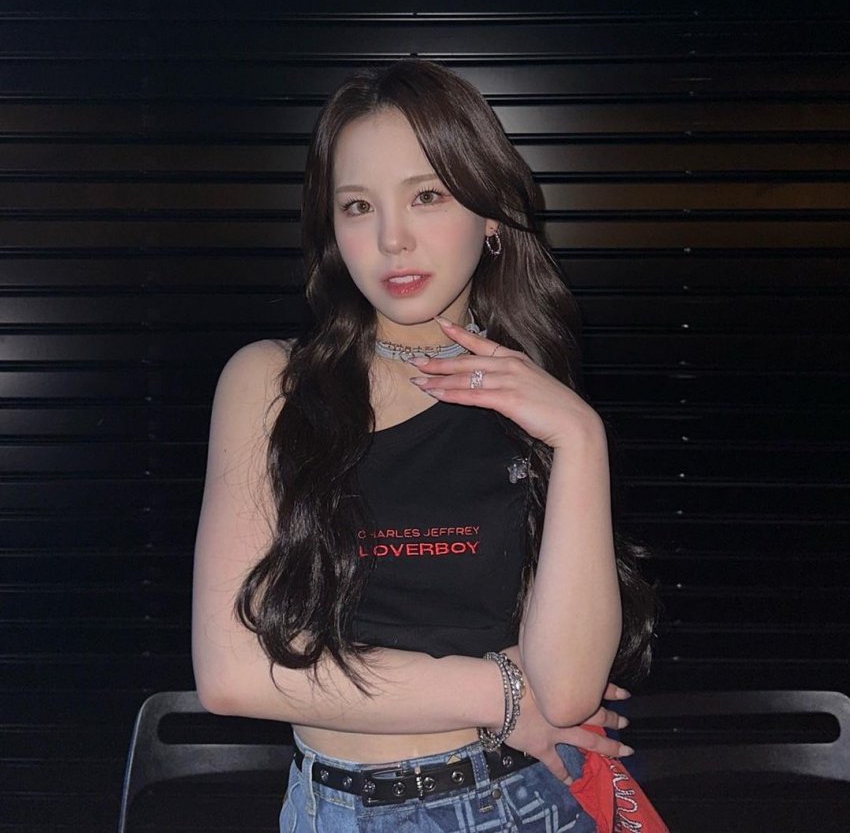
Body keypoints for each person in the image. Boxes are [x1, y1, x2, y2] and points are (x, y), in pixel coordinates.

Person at [192, 59, 665, 832]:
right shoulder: (272, 381)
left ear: (490, 214)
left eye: (427, 195)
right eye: (357, 205)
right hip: (331, 808)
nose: (392, 238)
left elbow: (570, 689)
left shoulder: (535, 396)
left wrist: (581, 436)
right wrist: (500, 691)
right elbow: (233, 673)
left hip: (519, 801)